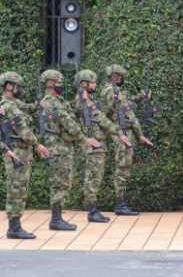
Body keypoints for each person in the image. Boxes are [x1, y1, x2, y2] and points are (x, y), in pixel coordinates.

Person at [39, 69, 101, 231]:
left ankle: (57, 218)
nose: (61, 85)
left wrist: (83, 99)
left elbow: (73, 113)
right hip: (58, 148)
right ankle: (56, 219)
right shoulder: (51, 102)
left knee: (63, 182)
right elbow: (68, 122)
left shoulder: (58, 100)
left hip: (63, 147)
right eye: (59, 83)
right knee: (60, 183)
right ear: (51, 83)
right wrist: (84, 139)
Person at [74, 69, 132, 222]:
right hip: (94, 144)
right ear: (84, 84)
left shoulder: (87, 99)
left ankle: (93, 210)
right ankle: (92, 211)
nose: (95, 85)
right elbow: (101, 119)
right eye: (92, 82)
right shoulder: (83, 100)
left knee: (95, 177)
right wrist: (119, 134)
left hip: (98, 143)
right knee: (93, 178)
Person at [0, 71, 49, 239]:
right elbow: (23, 130)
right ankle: (14, 228)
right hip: (16, 153)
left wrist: (39, 102)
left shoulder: (15, 103)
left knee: (21, 188)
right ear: (9, 86)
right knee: (16, 189)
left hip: (22, 152)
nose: (19, 89)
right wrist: (37, 145)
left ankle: (16, 225)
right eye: (17, 86)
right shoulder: (8, 106)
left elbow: (29, 107)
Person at [100, 64, 153, 216]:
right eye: (120, 76)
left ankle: (121, 202)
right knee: (122, 167)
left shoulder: (117, 92)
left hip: (127, 132)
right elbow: (105, 113)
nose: (121, 79)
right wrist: (116, 132)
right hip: (121, 132)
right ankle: (119, 203)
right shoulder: (110, 92)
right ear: (115, 76)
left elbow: (126, 106)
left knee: (125, 167)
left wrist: (141, 96)